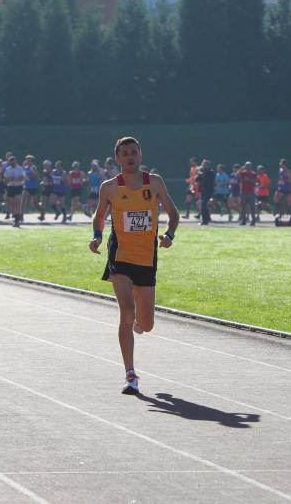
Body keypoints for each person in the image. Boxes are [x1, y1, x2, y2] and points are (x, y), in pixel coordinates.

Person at [89, 137, 179, 394]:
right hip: (120, 256)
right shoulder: (110, 187)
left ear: (140, 155)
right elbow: (99, 217)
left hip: (146, 258)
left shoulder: (155, 182)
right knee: (126, 312)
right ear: (117, 159)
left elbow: (173, 214)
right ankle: (130, 374)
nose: (130, 157)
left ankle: (140, 323)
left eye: (134, 152)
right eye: (125, 153)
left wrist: (169, 235)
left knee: (146, 324)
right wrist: (97, 236)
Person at [3, 154, 25, 227]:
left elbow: (22, 177)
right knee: (12, 203)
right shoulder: (7, 169)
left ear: (15, 162)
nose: (12, 164)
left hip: (18, 186)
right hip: (10, 187)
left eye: (13, 162)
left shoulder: (20, 168)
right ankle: (16, 217)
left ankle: (17, 219)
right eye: (11, 162)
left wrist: (15, 179)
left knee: (17, 201)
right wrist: (10, 180)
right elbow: (5, 179)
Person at [22, 155, 45, 221]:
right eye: (27, 160)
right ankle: (21, 216)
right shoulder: (25, 167)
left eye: (29, 160)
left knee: (35, 203)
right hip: (26, 187)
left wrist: (30, 176)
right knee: (23, 200)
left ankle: (42, 213)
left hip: (33, 187)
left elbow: (37, 178)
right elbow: (24, 177)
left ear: (32, 161)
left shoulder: (33, 168)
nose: (27, 161)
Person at [195, 159, 215, 225]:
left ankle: (205, 221)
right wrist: (199, 174)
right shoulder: (201, 172)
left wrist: (202, 174)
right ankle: (207, 218)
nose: (203, 165)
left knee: (203, 205)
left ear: (208, 165)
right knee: (203, 205)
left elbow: (209, 181)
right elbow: (197, 180)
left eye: (205, 164)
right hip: (203, 191)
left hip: (208, 191)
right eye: (203, 164)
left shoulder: (211, 172)